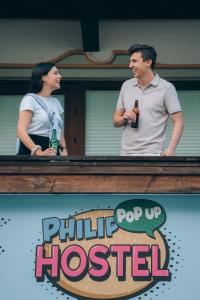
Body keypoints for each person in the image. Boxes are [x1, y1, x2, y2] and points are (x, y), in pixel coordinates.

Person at [113, 44, 184, 156]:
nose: (130, 65)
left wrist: (171, 149)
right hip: (125, 155)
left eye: (134, 61)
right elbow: (116, 121)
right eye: (130, 62)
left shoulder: (166, 88)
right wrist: (124, 118)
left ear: (148, 62)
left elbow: (178, 121)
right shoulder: (126, 86)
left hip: (153, 155)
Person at [17, 62, 68, 156]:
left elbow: (58, 129)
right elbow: (21, 131)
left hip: (52, 149)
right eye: (55, 73)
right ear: (44, 78)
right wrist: (38, 152)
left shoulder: (55, 102)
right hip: (31, 151)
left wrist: (64, 150)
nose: (60, 76)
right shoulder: (29, 100)